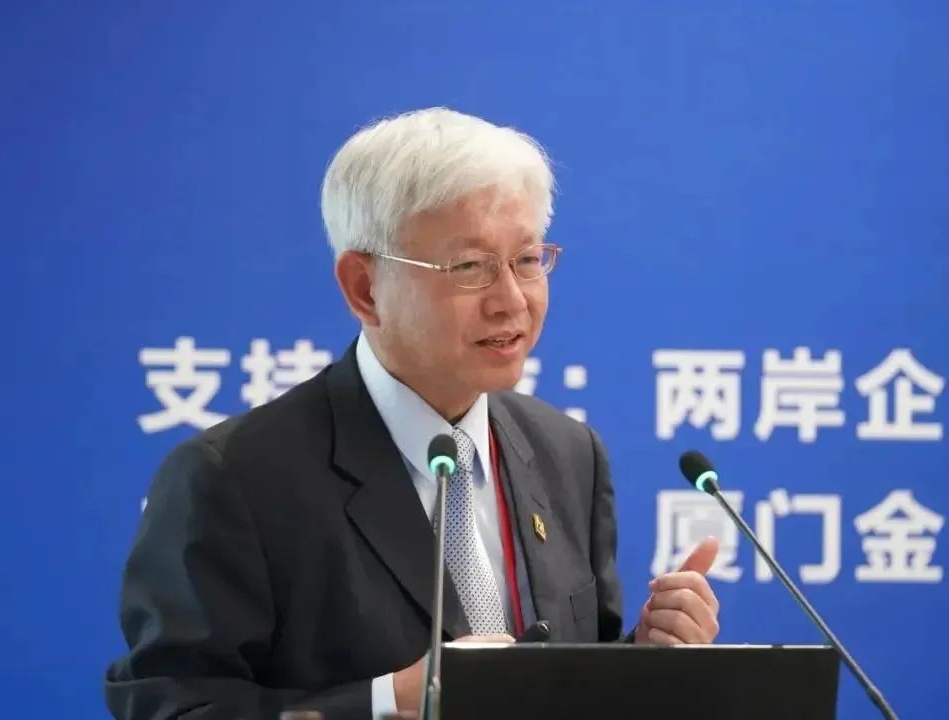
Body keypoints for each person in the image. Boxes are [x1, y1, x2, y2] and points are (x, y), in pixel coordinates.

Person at [104, 107, 721, 720]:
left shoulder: (568, 453)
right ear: (364, 288)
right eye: (471, 267)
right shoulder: (233, 479)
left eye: (528, 260)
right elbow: (173, 708)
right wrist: (387, 701)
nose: (511, 300)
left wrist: (646, 659)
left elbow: (572, 680)